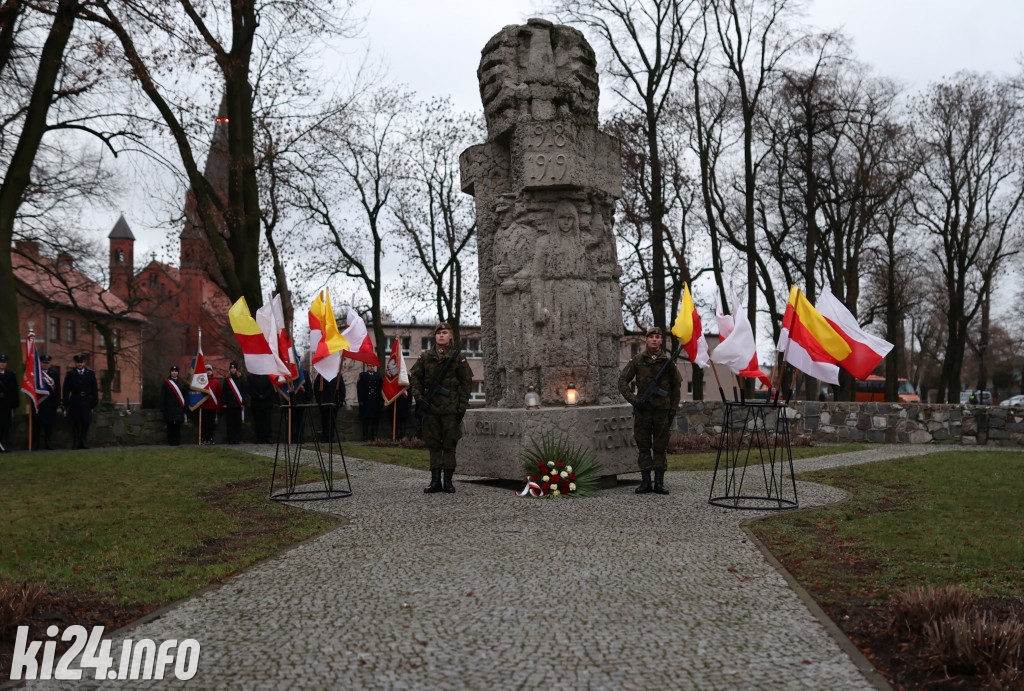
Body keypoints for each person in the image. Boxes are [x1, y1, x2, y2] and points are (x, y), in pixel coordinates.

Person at [409, 323, 473, 494]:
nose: (441, 336)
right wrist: (419, 398)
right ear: (435, 337)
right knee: (434, 444)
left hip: (451, 410)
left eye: (445, 333)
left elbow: (467, 383)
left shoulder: (458, 358)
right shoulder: (426, 357)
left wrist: (462, 407)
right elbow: (414, 377)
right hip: (430, 410)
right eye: (438, 333)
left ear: (451, 336)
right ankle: (435, 481)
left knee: (450, 445)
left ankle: (448, 481)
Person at [618, 327, 682, 495]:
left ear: (661, 341)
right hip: (644, 412)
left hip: (662, 412)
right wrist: (634, 400)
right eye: (651, 337)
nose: (654, 340)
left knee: (660, 447)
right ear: (646, 340)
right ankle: (646, 482)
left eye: (657, 337)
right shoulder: (638, 360)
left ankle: (659, 483)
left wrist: (673, 409)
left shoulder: (668, 363)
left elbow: (676, 388)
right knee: (644, 446)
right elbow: (622, 382)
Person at [63, 354, 98, 450]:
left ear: (84, 363)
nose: (79, 364)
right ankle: (76, 442)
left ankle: (83, 442)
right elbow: (66, 390)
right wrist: (65, 403)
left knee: (86, 422)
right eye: (78, 362)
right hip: (75, 400)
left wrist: (95, 401)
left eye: (81, 362)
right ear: (75, 363)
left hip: (87, 401)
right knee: (75, 423)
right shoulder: (70, 374)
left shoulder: (90, 374)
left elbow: (94, 389)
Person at [34, 354, 61, 450]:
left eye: (47, 363)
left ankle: (48, 443)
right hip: (39, 403)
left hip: (50, 404)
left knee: (49, 426)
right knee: (37, 426)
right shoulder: (36, 374)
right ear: (40, 363)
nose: (46, 364)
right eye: (44, 363)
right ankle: (36, 444)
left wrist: (57, 404)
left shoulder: (54, 374)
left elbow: (57, 390)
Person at [314, 374, 345, 444]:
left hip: (334, 401)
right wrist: (319, 400)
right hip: (324, 401)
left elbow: (342, 388)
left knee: (333, 420)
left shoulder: (337, 375)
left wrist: (341, 399)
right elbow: (316, 388)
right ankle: (325, 436)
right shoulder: (321, 375)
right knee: (324, 420)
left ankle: (331, 436)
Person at [356, 365, 383, 441]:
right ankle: (365, 435)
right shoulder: (363, 375)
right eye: (370, 366)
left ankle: (374, 435)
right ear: (367, 367)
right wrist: (360, 400)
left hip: (375, 400)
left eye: (373, 366)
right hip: (366, 400)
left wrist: (381, 400)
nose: (372, 367)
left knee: (375, 419)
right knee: (365, 419)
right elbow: (359, 388)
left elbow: (381, 389)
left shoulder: (378, 375)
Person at [161, 365, 186, 446]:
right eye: (172, 371)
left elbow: (185, 396)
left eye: (175, 371)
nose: (174, 372)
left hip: (179, 408)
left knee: (177, 426)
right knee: (170, 426)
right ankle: (170, 441)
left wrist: (186, 407)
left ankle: (177, 441)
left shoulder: (182, 383)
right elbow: (163, 396)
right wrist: (162, 407)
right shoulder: (166, 383)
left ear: (178, 373)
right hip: (169, 408)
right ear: (170, 372)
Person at [222, 362, 246, 444]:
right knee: (230, 423)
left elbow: (244, 391)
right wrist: (224, 403)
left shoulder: (241, 379)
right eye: (231, 368)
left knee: (237, 423)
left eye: (234, 368)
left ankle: (237, 438)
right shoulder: (227, 379)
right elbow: (224, 392)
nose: (233, 370)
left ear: (236, 369)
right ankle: (230, 438)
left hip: (238, 404)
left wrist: (243, 402)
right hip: (229, 405)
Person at [0, 354, 19, 452]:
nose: (3, 364)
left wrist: (15, 403)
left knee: (6, 425)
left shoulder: (11, 375)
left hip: (7, 404)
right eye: (1, 362)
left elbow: (14, 390)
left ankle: (4, 444)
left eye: (4, 362)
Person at [248, 373, 275, 443]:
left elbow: (272, 388)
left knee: (267, 421)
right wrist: (257, 395)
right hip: (256, 402)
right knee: (258, 422)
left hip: (267, 402)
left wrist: (265, 395)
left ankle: (268, 437)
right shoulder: (251, 377)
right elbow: (249, 389)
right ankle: (259, 438)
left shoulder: (269, 377)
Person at [199, 364, 222, 444]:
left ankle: (210, 438)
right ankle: (203, 438)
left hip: (213, 407)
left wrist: (218, 406)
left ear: (212, 372)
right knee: (204, 424)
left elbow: (219, 395)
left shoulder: (216, 382)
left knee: (211, 424)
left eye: (209, 370)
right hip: (204, 407)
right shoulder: (201, 382)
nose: (208, 372)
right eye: (206, 370)